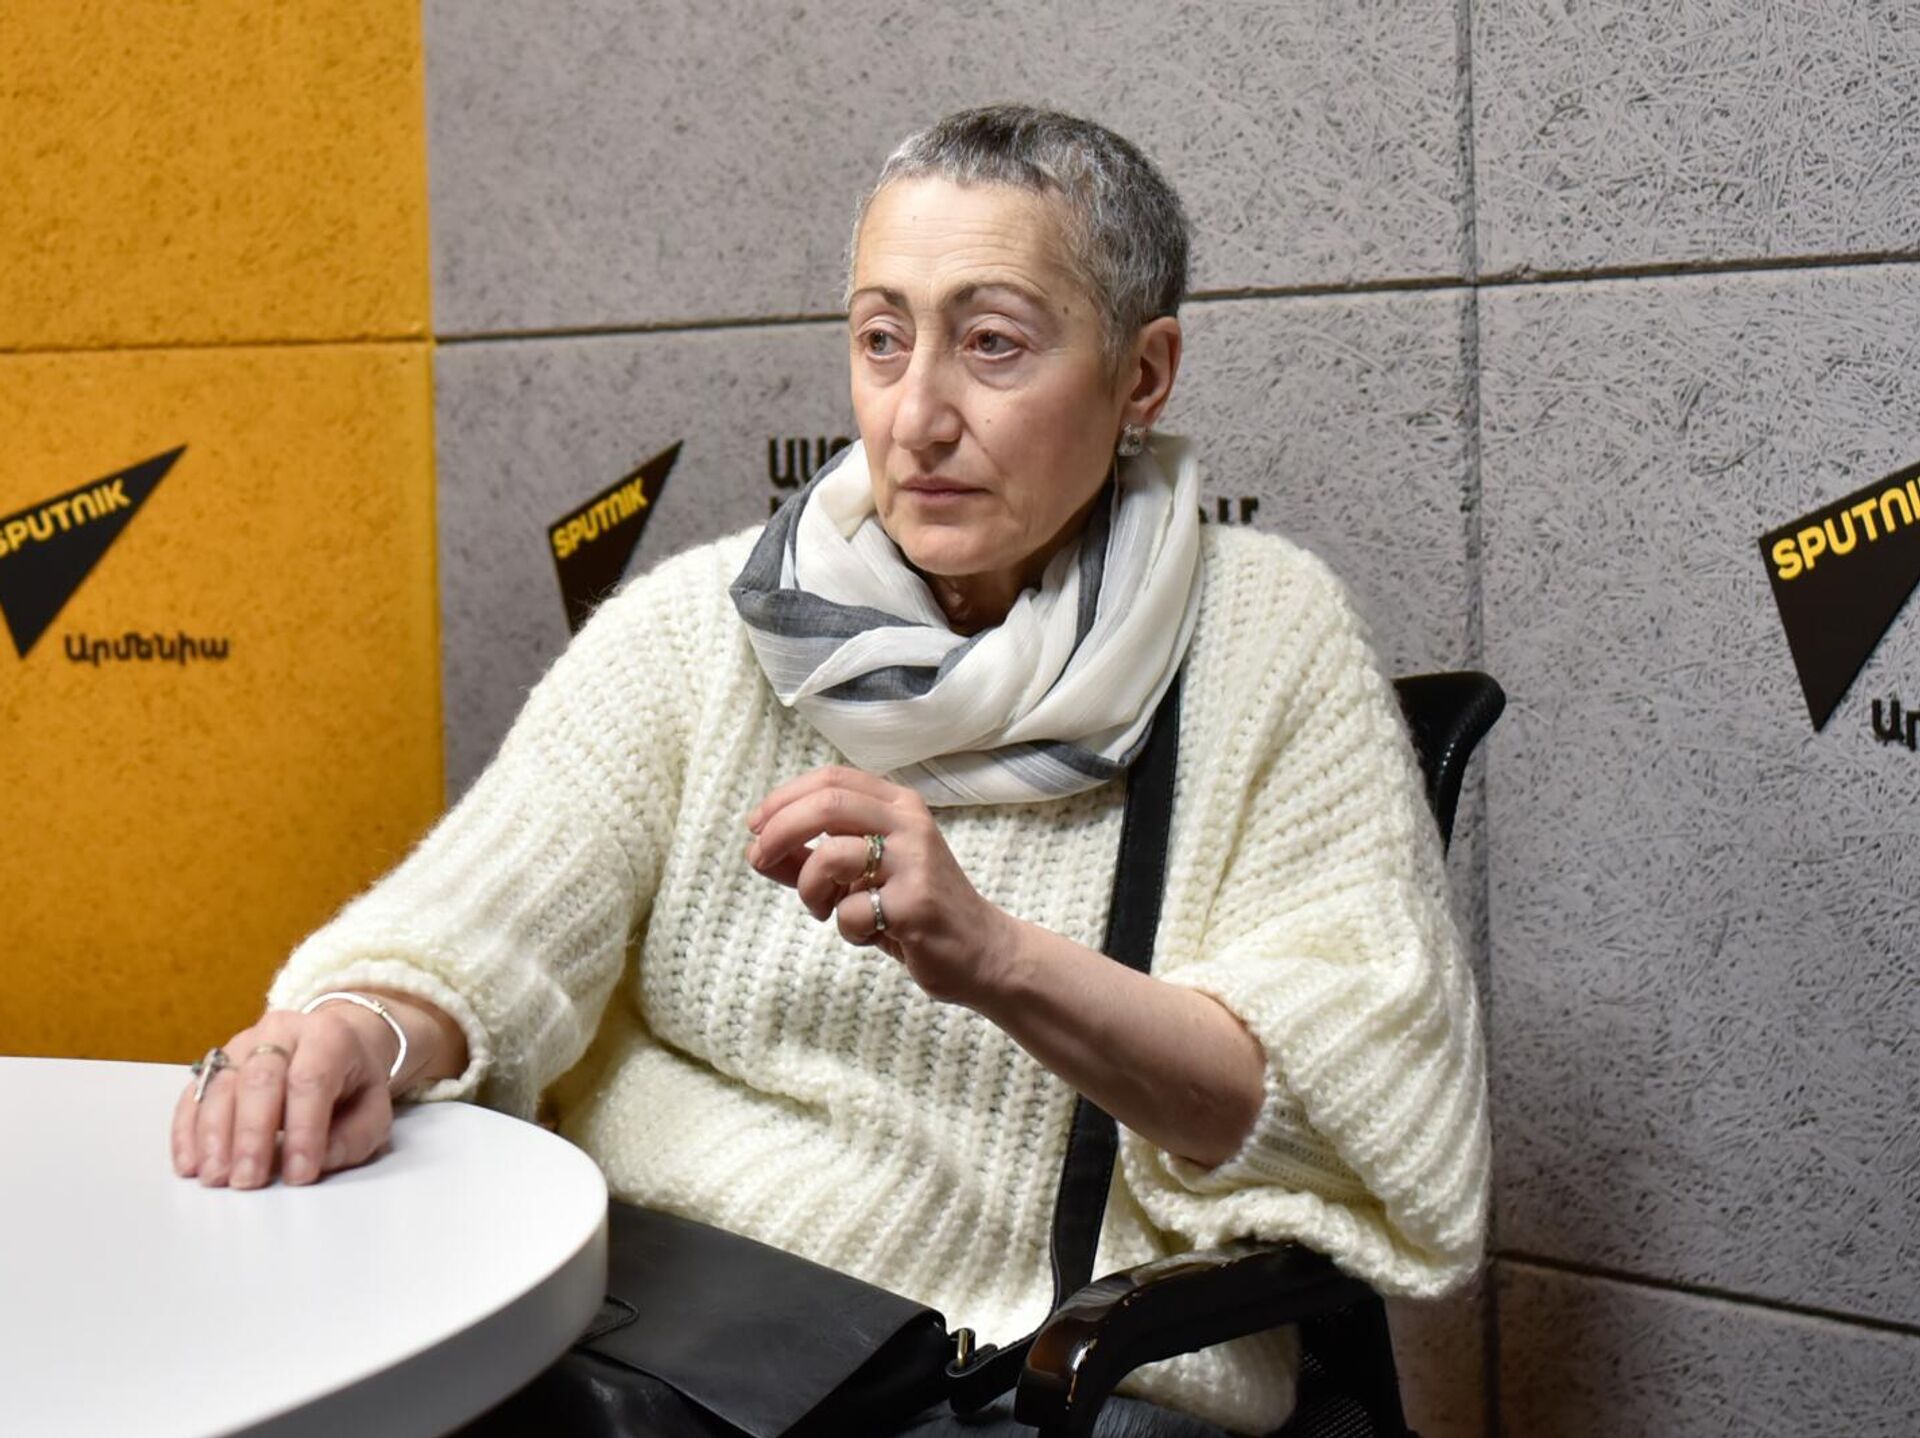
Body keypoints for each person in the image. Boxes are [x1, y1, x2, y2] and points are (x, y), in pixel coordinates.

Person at [169, 105, 1489, 1436]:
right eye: (881, 338)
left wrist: (996, 957)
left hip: (1011, 1376)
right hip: (653, 1335)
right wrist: (363, 1028)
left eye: (992, 343)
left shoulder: (1264, 638)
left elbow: (1353, 1107)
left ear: (1143, 374)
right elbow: (473, 932)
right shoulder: (711, 623)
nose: (917, 416)